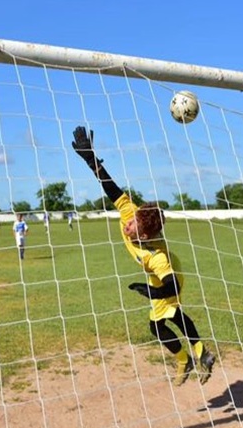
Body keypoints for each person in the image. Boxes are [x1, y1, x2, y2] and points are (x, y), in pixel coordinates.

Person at [72, 126, 215, 386]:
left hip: (166, 276)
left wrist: (152, 292)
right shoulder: (131, 212)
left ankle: (190, 357)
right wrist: (90, 159)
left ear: (146, 237)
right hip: (158, 278)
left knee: (160, 323)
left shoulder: (155, 255)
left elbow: (170, 283)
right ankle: (198, 353)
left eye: (132, 227)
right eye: (130, 221)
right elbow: (111, 187)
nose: (126, 226)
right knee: (169, 317)